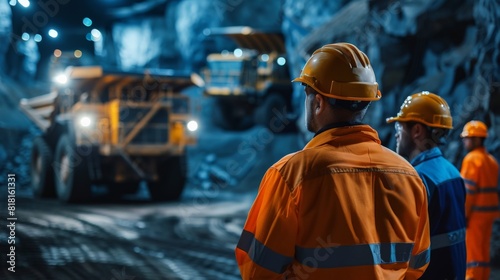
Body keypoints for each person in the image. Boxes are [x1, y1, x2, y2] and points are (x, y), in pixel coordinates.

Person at [235, 43, 430, 279]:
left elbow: (258, 270)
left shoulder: (291, 174)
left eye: (306, 94)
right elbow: (417, 265)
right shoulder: (409, 175)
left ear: (318, 103)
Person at [386, 91, 466, 279]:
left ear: (417, 131)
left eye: (400, 126)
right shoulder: (453, 172)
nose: (397, 135)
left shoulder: (418, 179)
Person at [460, 120, 500, 280]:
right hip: (489, 215)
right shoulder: (491, 161)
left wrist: (464, 215)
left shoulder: (471, 159)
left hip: (475, 216)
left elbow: (468, 192)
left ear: (476, 139)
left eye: (467, 138)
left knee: (473, 256)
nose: (464, 141)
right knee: (483, 254)